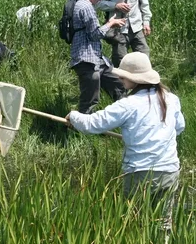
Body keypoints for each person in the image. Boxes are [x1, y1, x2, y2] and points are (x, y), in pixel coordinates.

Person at [66, 52, 185, 232]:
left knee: (135, 224)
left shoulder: (128, 104)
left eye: (123, 76)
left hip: (139, 174)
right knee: (163, 224)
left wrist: (73, 116)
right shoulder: (171, 98)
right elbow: (179, 128)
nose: (120, 79)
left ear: (133, 79)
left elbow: (92, 124)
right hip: (169, 171)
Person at [70, 0, 127, 114]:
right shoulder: (86, 7)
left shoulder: (77, 3)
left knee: (118, 86)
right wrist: (110, 24)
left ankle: (124, 117)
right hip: (87, 60)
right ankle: (82, 130)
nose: (100, 0)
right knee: (90, 100)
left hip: (95, 59)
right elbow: (95, 35)